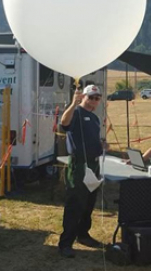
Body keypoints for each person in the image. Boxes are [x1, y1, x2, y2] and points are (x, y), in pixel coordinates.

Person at [58, 84, 106, 258]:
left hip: (94, 164)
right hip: (79, 165)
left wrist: (101, 145)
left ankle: (83, 235)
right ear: (83, 97)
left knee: (88, 203)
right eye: (90, 97)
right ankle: (65, 244)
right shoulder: (76, 112)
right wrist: (73, 103)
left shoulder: (94, 117)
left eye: (97, 97)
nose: (93, 100)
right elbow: (64, 123)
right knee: (75, 204)